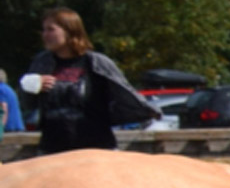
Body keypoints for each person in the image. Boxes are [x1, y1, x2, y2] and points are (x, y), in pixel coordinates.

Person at [21, 9, 150, 151]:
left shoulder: (96, 62)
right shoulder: (42, 63)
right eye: (44, 30)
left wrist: (149, 112)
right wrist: (32, 87)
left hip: (95, 148)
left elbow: (124, 93)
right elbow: (28, 106)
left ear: (70, 31)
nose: (45, 35)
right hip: (53, 148)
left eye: (51, 30)